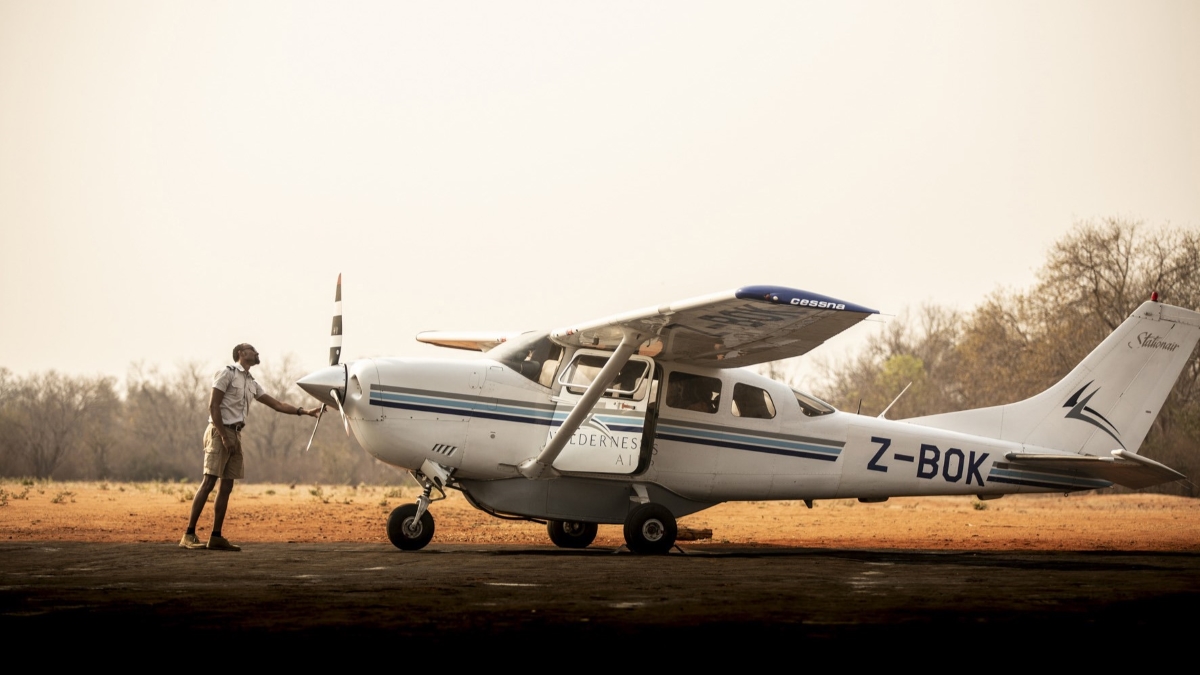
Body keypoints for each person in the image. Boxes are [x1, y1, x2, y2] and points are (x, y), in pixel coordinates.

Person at [179, 343, 319, 551]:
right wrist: (224, 436)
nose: (257, 353)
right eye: (252, 350)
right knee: (209, 481)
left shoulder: (251, 382)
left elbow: (277, 404)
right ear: (241, 354)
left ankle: (216, 536)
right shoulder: (226, 373)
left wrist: (303, 411)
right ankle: (188, 535)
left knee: (227, 485)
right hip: (220, 432)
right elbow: (213, 406)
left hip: (235, 434)